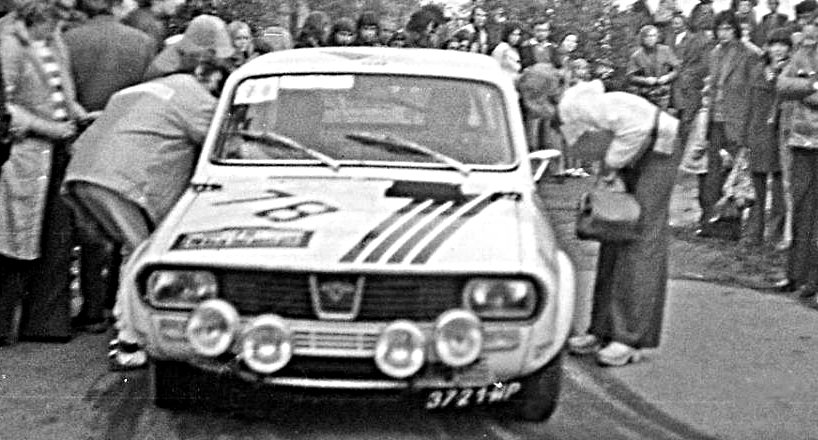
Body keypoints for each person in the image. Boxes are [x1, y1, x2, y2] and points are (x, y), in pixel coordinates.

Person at [62, 55, 229, 369]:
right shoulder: (194, 96)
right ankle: (127, 341)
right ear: (208, 77)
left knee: (131, 252)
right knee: (142, 256)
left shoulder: (145, 88)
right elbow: (225, 139)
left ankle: (122, 326)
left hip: (85, 171)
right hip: (120, 179)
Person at [560, 79, 680, 367]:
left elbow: (634, 131)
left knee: (639, 237)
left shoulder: (582, 107)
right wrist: (611, 170)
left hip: (656, 149)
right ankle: (601, 329)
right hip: (633, 152)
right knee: (612, 230)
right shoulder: (573, 110)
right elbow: (606, 142)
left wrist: (612, 165)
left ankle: (629, 337)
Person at [63, 0, 157, 332]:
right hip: (126, 139)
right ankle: (114, 301)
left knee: (87, 224)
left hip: (80, 135)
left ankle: (91, 309)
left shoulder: (69, 39)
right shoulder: (142, 42)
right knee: (123, 222)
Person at [0, 0, 89, 344]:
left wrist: (77, 114)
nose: (62, 22)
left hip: (54, 153)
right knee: (15, 241)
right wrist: (50, 128)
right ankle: (10, 325)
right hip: (24, 156)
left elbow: (61, 92)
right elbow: (6, 107)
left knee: (54, 240)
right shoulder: (9, 45)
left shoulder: (53, 40)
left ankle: (46, 323)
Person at [696, 11, 759, 240]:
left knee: (735, 173)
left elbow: (753, 93)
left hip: (738, 121)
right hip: (715, 120)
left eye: (728, 28)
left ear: (735, 29)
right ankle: (710, 222)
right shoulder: (714, 53)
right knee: (713, 173)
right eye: (720, 28)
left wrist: (748, 126)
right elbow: (712, 88)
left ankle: (732, 227)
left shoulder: (748, 53)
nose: (723, 33)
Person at [775, 13, 818, 300]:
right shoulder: (802, 53)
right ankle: (796, 275)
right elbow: (782, 85)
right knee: (801, 207)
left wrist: (803, 91)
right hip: (802, 142)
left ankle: (813, 280)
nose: (810, 30)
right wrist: (811, 87)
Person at [744, 27, 791, 247]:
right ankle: (754, 233)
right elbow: (748, 104)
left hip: (782, 134)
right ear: (768, 48)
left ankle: (776, 234)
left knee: (780, 187)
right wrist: (744, 136)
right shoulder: (757, 70)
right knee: (756, 187)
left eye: (783, 45)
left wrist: (781, 76)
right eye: (774, 45)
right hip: (758, 133)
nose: (778, 49)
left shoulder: (792, 71)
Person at [142, 14, 234, 81]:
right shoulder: (169, 60)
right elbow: (149, 82)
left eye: (212, 52)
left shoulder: (218, 60)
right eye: (211, 51)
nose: (211, 56)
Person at [626, 24, 681, 111]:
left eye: (654, 35)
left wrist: (667, 77)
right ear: (643, 38)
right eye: (648, 36)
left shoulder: (665, 50)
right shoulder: (636, 56)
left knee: (662, 116)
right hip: (646, 95)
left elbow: (677, 69)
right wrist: (645, 80)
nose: (651, 38)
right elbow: (630, 77)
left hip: (664, 94)